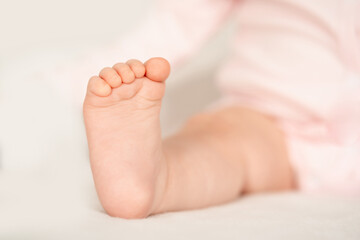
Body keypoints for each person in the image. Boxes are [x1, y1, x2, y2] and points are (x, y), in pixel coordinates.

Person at [83, 0, 360, 219]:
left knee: (229, 138)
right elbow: (179, 20)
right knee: (219, 138)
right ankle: (156, 178)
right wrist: (73, 81)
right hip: (272, 115)